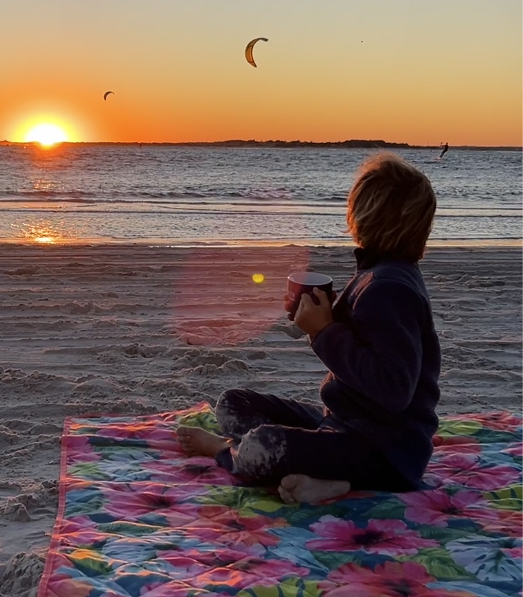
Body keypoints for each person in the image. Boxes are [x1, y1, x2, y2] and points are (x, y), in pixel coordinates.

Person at [178, 153, 441, 504]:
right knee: (232, 403)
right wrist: (324, 317)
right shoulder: (377, 274)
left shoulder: (391, 288)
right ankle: (327, 478)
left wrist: (324, 332)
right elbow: (365, 341)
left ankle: (226, 451)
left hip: (387, 451)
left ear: (363, 215)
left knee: (262, 444)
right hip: (344, 423)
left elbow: (393, 390)